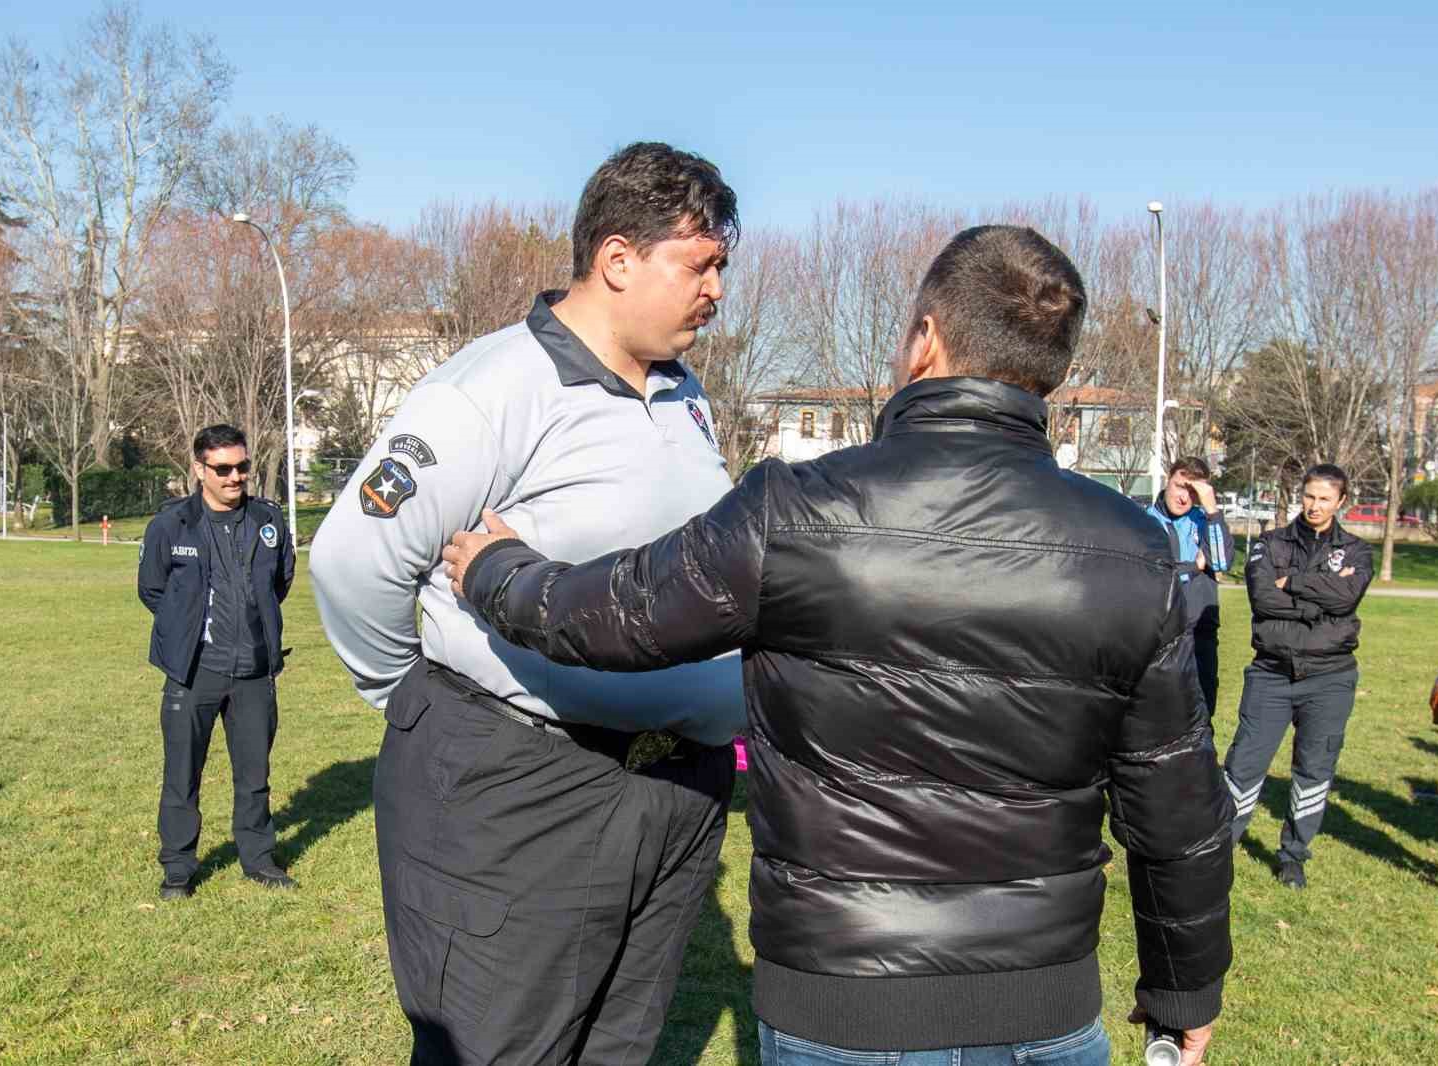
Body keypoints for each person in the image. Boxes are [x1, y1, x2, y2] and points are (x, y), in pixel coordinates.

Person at [445, 225, 1234, 1066]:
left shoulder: (794, 513)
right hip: (1022, 1006)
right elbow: (1178, 810)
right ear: (1052, 374)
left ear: (924, 340)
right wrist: (1183, 990)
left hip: (854, 1005)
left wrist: (494, 570)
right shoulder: (1133, 547)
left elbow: (617, 612)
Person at [309, 142, 747, 1066]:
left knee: (615, 1050)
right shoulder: (495, 386)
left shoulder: (684, 394)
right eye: (700, 265)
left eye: (721, 268)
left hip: (671, 793)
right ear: (618, 260)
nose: (717, 290)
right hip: (524, 795)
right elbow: (355, 557)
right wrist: (421, 702)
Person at [136, 424, 296, 899]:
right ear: (199, 470)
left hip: (254, 671)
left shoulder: (268, 520)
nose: (235, 477)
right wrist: (190, 632)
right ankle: (179, 869)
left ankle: (259, 859)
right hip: (193, 673)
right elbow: (152, 590)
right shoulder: (170, 524)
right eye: (223, 469)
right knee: (182, 774)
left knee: (255, 775)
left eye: (242, 467)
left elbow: (280, 582)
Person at [1221, 464, 1372, 890]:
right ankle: (1221, 846)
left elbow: (1346, 599)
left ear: (1341, 502)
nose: (1315, 506)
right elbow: (1263, 598)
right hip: (1271, 674)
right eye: (1309, 496)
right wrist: (1316, 601)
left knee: (1314, 767)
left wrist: (1295, 583)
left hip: (1330, 678)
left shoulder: (1358, 551)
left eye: (1325, 499)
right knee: (1244, 764)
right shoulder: (1269, 544)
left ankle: (1293, 855)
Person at [1146, 456, 1233, 717]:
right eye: (1179, 486)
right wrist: (1194, 568)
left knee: (1201, 714)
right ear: (1168, 480)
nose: (1184, 497)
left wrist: (1211, 509)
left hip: (1199, 637)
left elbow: (1220, 562)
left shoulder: (1205, 521)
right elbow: (1151, 574)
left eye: (1193, 492)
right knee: (1156, 714)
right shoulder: (1144, 521)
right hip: (1157, 636)